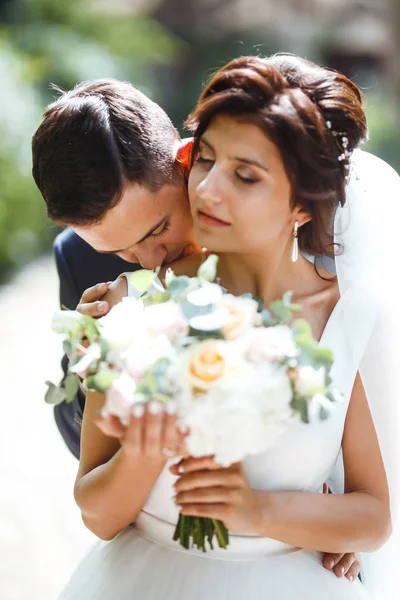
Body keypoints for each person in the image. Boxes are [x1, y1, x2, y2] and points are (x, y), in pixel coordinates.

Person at [53, 54, 400, 599]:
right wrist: (144, 452)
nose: (209, 190)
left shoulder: (341, 315)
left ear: (305, 205)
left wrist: (280, 511)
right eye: (208, 163)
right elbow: (96, 508)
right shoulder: (133, 307)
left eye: (243, 175)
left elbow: (374, 512)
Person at [32, 79, 201, 458]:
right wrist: (88, 372)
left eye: (158, 229)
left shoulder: (254, 207)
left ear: (186, 163)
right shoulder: (78, 257)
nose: (149, 262)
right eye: (118, 250)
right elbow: (79, 443)